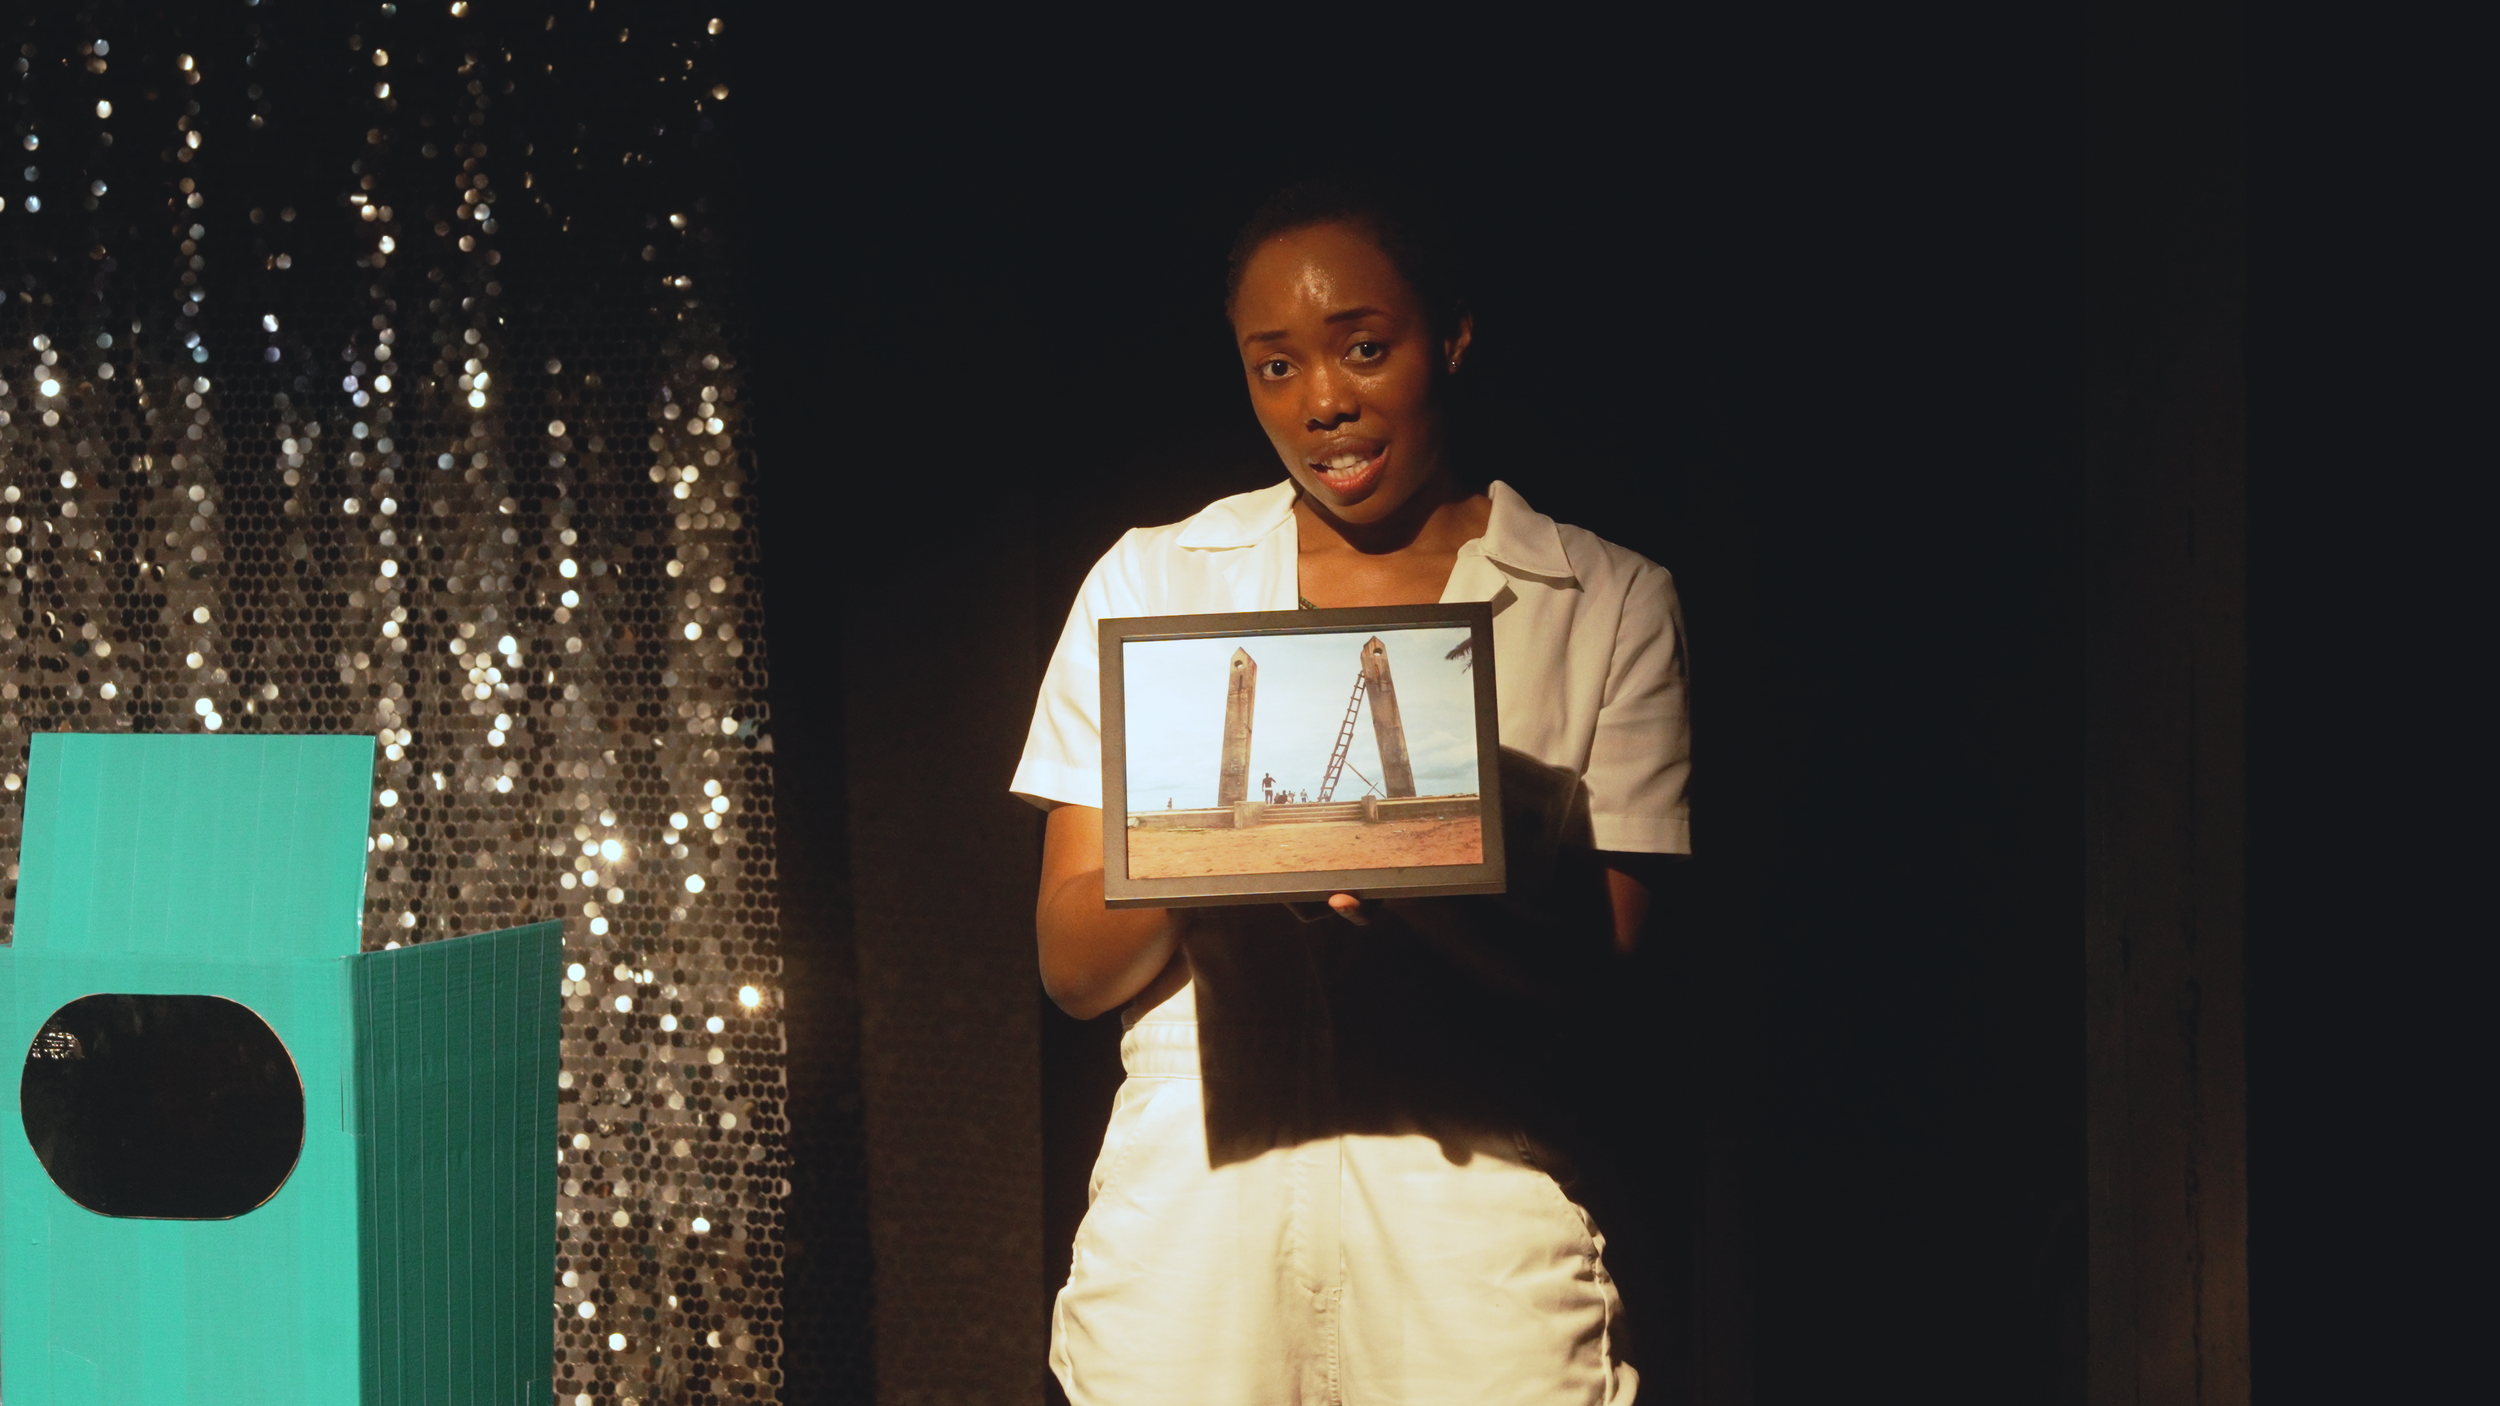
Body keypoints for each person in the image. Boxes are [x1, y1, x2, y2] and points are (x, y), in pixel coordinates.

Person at [1012, 176, 1688, 1405]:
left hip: (1466, 1214)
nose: (1324, 400)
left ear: (1454, 334)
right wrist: (1226, 842)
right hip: (1193, 1228)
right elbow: (1071, 965)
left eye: (1364, 349)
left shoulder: (1602, 600)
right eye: (1274, 367)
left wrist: (1425, 881)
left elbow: (1617, 969)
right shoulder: (1156, 584)